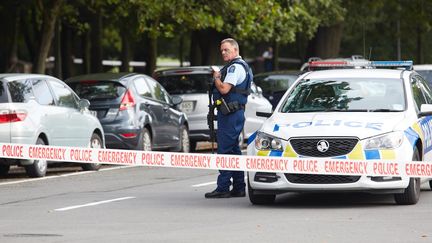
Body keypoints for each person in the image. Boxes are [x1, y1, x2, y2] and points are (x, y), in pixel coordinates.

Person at [205, 38, 253, 199]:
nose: (223, 53)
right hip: (232, 113)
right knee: (233, 150)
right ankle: (239, 187)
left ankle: (223, 187)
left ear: (235, 50)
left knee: (225, 150)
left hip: (230, 115)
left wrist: (217, 77)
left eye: (226, 50)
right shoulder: (239, 66)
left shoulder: (235, 68)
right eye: (222, 50)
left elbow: (224, 89)